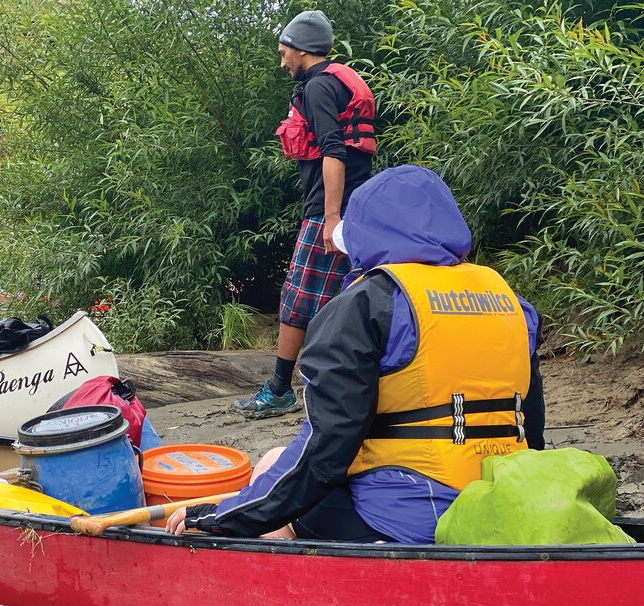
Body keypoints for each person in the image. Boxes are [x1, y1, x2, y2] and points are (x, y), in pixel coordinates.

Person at [170, 165, 546, 543]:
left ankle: (298, 592)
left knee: (271, 466)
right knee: (283, 472)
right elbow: (532, 431)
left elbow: (324, 455)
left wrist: (223, 515)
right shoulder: (513, 304)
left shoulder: (367, 304)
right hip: (498, 501)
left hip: (410, 519)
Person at [235, 9, 376, 419]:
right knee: (344, 301)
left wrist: (331, 219)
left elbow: (333, 151)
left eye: (284, 53)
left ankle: (280, 390)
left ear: (302, 50)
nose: (282, 63)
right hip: (360, 208)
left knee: (297, 298)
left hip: (330, 212)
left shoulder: (317, 88)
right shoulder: (338, 82)